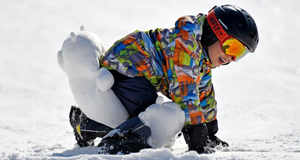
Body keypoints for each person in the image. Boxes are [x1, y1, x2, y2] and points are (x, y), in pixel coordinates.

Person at [69, 4, 259, 154]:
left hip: (138, 77)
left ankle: (86, 124)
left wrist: (209, 132)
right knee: (146, 115)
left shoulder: (201, 58)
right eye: (232, 47)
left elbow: (204, 93)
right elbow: (185, 92)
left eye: (240, 53)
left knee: (152, 116)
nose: (231, 58)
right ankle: (116, 137)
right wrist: (197, 138)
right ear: (214, 31)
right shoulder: (185, 45)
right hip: (125, 69)